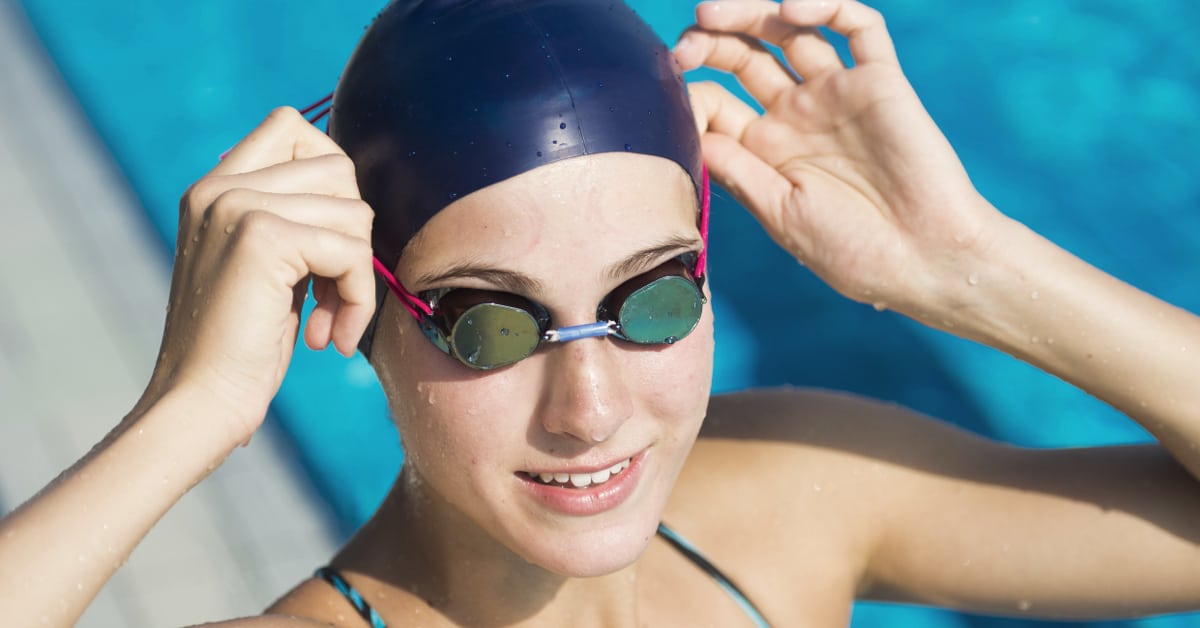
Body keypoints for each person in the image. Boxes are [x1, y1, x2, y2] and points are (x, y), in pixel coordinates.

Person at [3, 0, 1199, 626]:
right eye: (491, 325)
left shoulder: (787, 512)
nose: (591, 410)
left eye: (653, 298)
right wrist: (190, 412)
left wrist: (970, 265)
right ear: (364, 313)